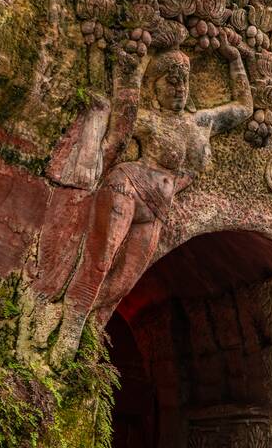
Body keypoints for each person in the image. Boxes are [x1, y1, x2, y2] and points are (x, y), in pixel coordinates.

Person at [56, 30, 252, 349]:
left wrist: (235, 60)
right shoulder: (148, 120)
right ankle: (71, 328)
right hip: (129, 184)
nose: (178, 88)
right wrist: (128, 68)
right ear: (155, 85)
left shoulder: (201, 122)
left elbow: (244, 108)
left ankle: (74, 312)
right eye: (170, 81)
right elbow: (121, 119)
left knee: (124, 280)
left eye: (182, 82)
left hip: (159, 205)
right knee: (103, 258)